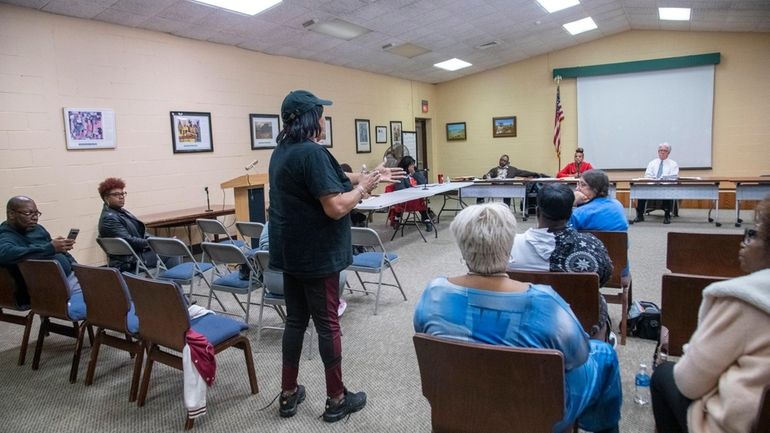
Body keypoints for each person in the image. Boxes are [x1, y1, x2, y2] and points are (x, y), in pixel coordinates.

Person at [414, 203, 622, 433]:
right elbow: (579, 357)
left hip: (462, 404)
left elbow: (427, 338)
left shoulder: (434, 293)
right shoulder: (545, 302)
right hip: (537, 416)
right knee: (604, 354)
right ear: (509, 244)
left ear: (462, 248)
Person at [268, 89, 404, 422]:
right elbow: (336, 207)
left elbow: (330, 179)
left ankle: (288, 394)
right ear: (310, 118)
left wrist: (367, 175)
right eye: (322, 114)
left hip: (291, 253)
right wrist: (363, 189)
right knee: (328, 326)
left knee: (296, 323)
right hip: (318, 256)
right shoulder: (313, 153)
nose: (325, 119)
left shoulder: (283, 152)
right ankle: (336, 399)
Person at [651, 195, 770, 433]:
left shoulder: (744, 299)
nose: (744, 242)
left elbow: (688, 383)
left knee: (664, 375)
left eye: (753, 233)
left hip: (739, 425)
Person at [508, 182, 614, 341]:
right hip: (579, 324)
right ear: (571, 213)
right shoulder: (592, 246)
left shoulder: (511, 245)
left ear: (537, 212)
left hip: (525, 323)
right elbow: (603, 278)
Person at [0, 196, 82, 306]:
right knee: (104, 294)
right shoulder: (6, 235)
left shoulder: (38, 229)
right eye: (29, 213)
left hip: (68, 276)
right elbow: (5, 253)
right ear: (11, 214)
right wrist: (50, 248)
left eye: (36, 213)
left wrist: (78, 269)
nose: (35, 218)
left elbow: (52, 250)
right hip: (47, 287)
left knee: (104, 282)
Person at [97, 177, 179, 272]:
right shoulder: (109, 218)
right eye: (116, 194)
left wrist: (163, 241)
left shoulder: (119, 212)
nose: (121, 196)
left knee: (171, 245)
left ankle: (168, 283)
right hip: (129, 261)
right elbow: (129, 241)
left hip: (134, 255)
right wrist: (156, 244)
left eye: (122, 193)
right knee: (173, 250)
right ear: (106, 198)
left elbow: (141, 233)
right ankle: (173, 285)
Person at [570, 169, 631, 289]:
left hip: (585, 270)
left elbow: (561, 232)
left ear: (595, 189)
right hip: (619, 272)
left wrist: (572, 202)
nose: (577, 189)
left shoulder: (579, 213)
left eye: (583, 185)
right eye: (578, 184)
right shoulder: (617, 205)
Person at [634, 142, 679, 224]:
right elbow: (647, 175)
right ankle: (640, 215)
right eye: (660, 150)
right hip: (652, 185)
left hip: (665, 186)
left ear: (668, 153)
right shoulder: (652, 163)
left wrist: (663, 179)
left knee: (667, 192)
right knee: (642, 192)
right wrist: (653, 179)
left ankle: (667, 216)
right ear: (658, 152)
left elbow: (674, 177)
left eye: (665, 150)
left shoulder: (673, 164)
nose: (662, 152)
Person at [477, 154, 543, 207]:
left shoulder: (512, 170)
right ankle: (480, 208)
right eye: (501, 160)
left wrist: (535, 173)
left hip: (507, 189)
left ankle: (506, 209)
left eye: (504, 160)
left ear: (508, 163)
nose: (502, 161)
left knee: (508, 191)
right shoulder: (494, 169)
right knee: (481, 190)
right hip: (495, 189)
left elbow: (523, 172)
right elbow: (487, 176)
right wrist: (485, 176)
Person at [392, 155, 433, 232]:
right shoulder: (400, 175)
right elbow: (400, 189)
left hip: (415, 196)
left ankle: (427, 220)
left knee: (419, 199)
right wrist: (412, 189)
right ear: (406, 166)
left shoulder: (415, 172)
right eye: (411, 165)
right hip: (405, 200)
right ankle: (427, 220)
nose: (413, 166)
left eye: (413, 164)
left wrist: (414, 173)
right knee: (419, 201)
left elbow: (423, 182)